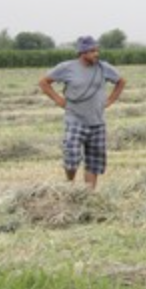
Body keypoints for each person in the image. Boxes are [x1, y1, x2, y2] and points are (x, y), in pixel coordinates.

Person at [38, 35, 127, 189]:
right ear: (82, 52)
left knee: (94, 161)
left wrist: (110, 100)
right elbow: (44, 82)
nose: (96, 54)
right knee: (71, 157)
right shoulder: (66, 68)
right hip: (75, 120)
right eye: (92, 51)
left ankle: (88, 195)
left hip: (97, 122)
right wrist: (58, 100)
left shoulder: (103, 67)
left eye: (97, 50)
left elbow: (121, 81)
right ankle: (70, 186)